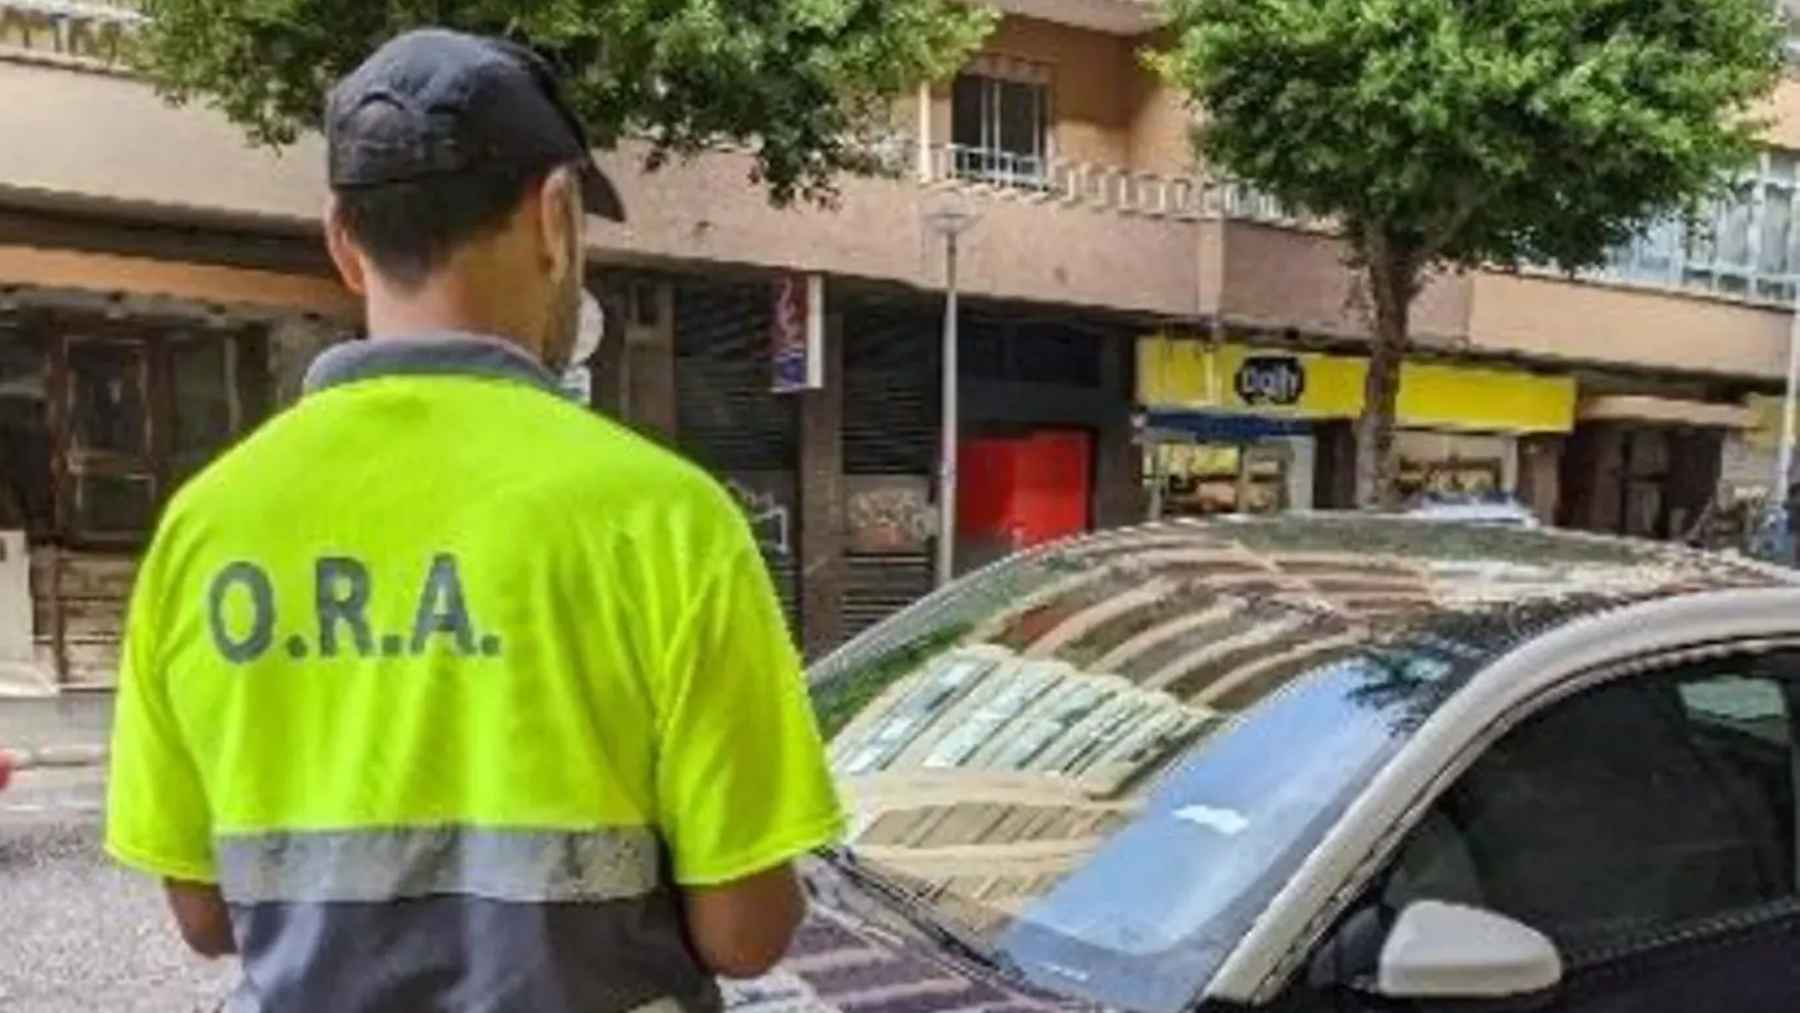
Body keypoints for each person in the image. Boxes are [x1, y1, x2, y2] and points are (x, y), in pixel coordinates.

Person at [104, 28, 844, 1013]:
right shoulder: (670, 520)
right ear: (552, 221)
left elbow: (204, 916)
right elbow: (748, 934)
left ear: (342, 240)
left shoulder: (204, 528)